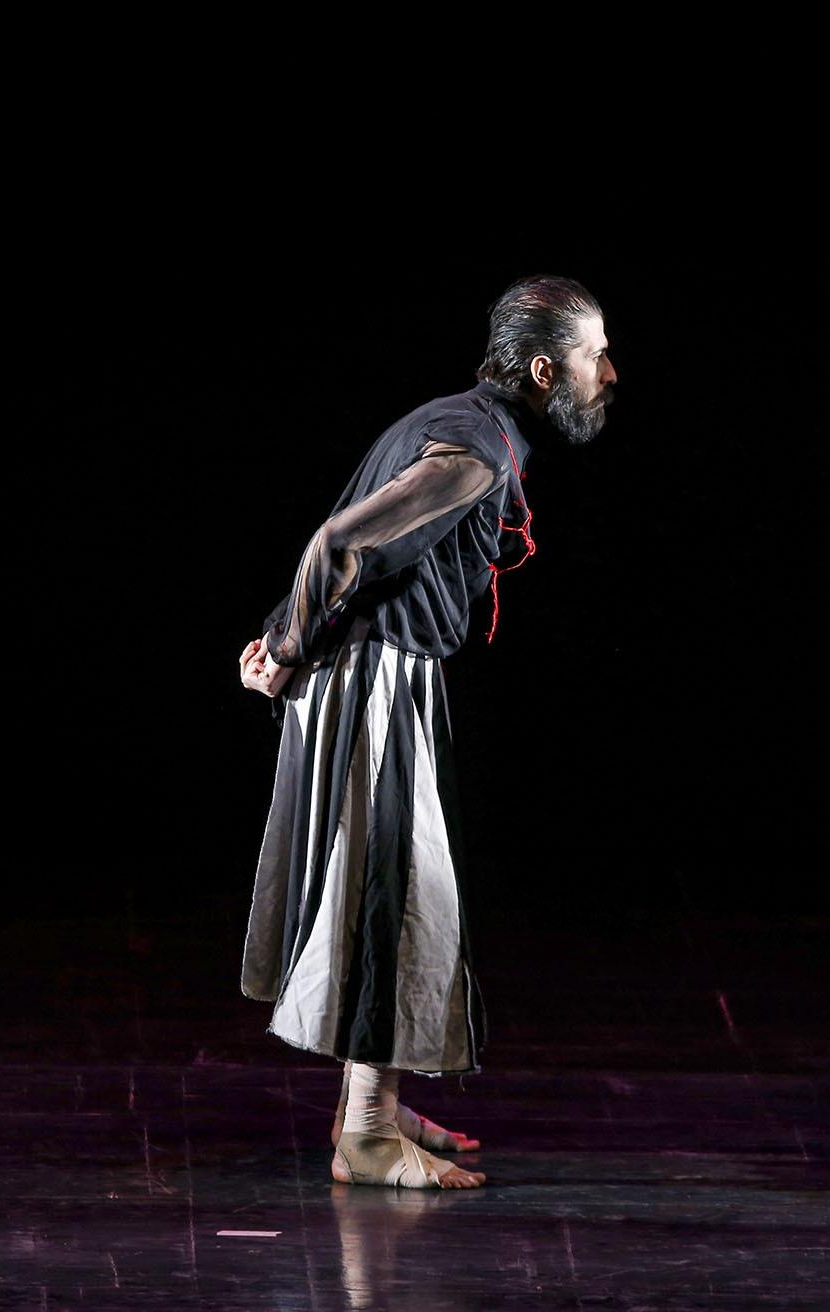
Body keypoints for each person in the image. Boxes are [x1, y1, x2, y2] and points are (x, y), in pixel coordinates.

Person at [238, 276, 616, 1189]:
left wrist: (285, 637)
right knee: (398, 892)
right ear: (544, 370)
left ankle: (368, 1102)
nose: (608, 373)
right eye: (595, 355)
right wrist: (285, 647)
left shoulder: (457, 419)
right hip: (378, 680)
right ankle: (366, 1134)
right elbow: (342, 544)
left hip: (380, 671)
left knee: (389, 884)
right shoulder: (473, 449)